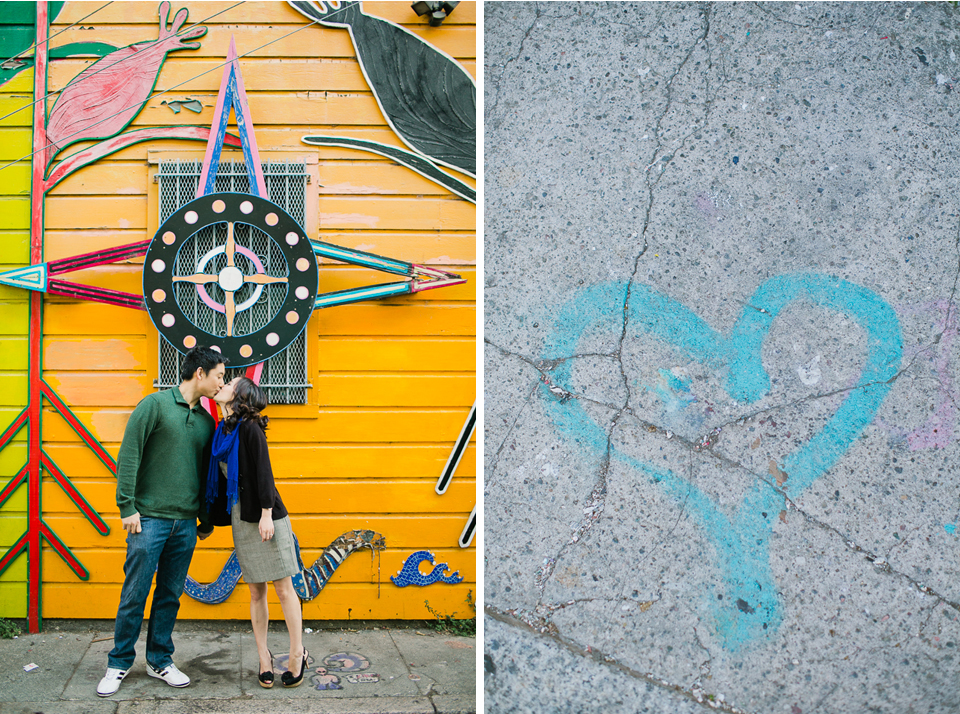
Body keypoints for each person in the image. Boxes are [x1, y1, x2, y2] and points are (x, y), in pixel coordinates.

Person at [97, 346, 226, 698]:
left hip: (184, 523)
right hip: (148, 519)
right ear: (199, 373)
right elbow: (129, 455)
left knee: (169, 594)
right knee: (135, 594)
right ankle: (118, 662)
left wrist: (203, 518)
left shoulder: (207, 421)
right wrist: (127, 506)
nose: (221, 383)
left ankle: (159, 660)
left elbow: (205, 473)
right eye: (219, 375)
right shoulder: (153, 406)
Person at [206, 376, 307, 688]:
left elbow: (265, 472)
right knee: (255, 590)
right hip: (241, 515)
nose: (224, 383)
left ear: (240, 396)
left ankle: (296, 653)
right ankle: (264, 656)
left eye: (231, 382)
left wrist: (265, 514)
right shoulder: (222, 430)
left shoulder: (249, 427)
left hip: (266, 515)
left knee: (283, 587)